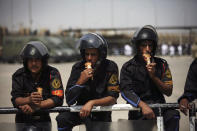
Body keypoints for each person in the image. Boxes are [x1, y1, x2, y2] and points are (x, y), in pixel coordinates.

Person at [120, 25, 180, 131]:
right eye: (143, 45)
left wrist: (154, 77)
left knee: (173, 115)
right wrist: (142, 105)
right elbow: (126, 91)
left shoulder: (162, 64)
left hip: (160, 107)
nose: (147, 49)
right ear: (137, 47)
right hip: (138, 110)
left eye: (150, 45)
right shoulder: (128, 67)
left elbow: (168, 91)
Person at [56, 33, 119, 131]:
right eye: (87, 54)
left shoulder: (110, 67)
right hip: (81, 110)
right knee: (62, 118)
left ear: (100, 55)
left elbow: (113, 97)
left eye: (93, 54)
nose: (89, 58)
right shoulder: (77, 68)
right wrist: (80, 81)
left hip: (101, 112)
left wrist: (92, 103)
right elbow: (69, 99)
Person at [11, 41, 64, 131]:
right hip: (22, 120)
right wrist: (28, 99)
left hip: (43, 119)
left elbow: (58, 98)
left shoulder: (52, 73)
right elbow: (15, 99)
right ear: (25, 61)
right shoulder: (19, 75)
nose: (34, 64)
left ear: (43, 61)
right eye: (30, 60)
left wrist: (37, 106)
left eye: (37, 60)